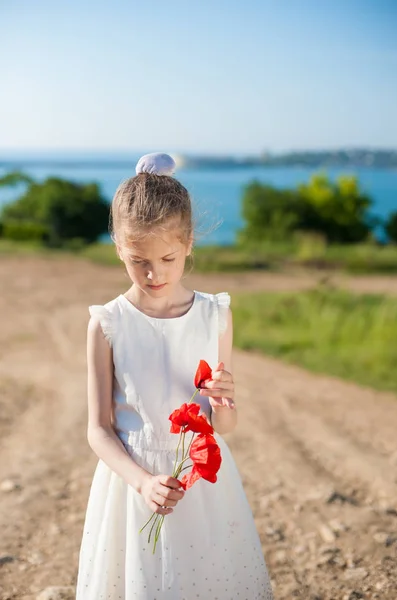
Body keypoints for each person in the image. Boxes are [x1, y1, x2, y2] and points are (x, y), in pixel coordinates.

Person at [75, 153, 274, 599]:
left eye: (167, 257)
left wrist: (224, 405)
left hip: (201, 487)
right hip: (133, 484)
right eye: (137, 260)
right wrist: (142, 481)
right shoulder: (107, 323)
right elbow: (99, 429)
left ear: (188, 244)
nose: (154, 273)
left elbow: (225, 427)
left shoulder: (214, 314)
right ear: (117, 247)